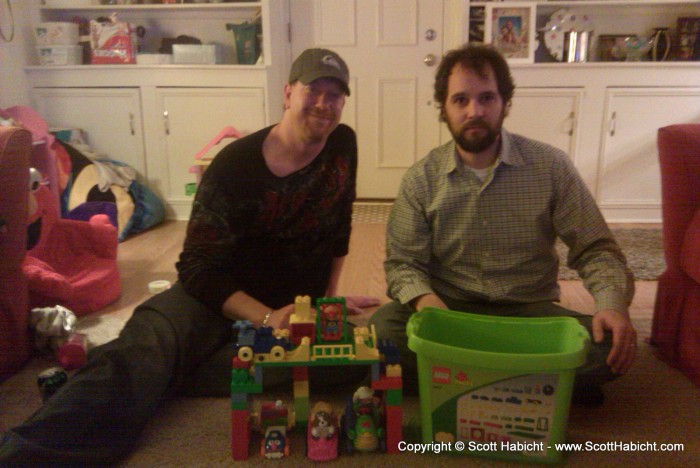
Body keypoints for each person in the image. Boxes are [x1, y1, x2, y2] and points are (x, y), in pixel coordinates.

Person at [0, 48, 374, 464]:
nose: (324, 104)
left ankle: (156, 368)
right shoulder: (235, 167)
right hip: (216, 298)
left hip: (293, 313)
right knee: (148, 347)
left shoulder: (343, 144)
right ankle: (27, 454)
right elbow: (196, 270)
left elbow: (339, 226)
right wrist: (266, 317)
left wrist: (326, 302)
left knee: (354, 360)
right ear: (287, 93)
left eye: (335, 94)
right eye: (313, 90)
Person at [369, 44, 637, 406]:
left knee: (608, 347)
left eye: (487, 98)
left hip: (529, 315)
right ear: (443, 109)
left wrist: (610, 305)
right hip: (450, 312)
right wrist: (428, 303)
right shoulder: (421, 179)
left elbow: (596, 249)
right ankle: (537, 386)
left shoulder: (551, 167)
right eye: (460, 100)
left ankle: (457, 382)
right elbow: (403, 263)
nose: (474, 111)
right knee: (382, 331)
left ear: (505, 103)